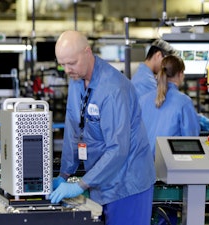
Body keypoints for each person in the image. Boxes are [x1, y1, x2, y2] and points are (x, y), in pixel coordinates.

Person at [49, 30, 155, 225]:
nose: (67, 70)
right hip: (99, 182)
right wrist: (64, 174)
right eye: (62, 64)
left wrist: (80, 184)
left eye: (71, 63)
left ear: (87, 52)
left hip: (127, 184)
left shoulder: (113, 89)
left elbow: (118, 149)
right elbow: (73, 129)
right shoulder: (76, 81)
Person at [131, 39, 209, 132]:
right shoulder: (145, 82)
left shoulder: (144, 77)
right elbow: (165, 112)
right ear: (158, 55)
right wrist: (196, 119)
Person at [139, 55, 201, 157]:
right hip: (171, 166)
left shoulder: (143, 100)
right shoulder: (184, 102)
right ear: (180, 74)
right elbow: (191, 141)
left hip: (144, 166)